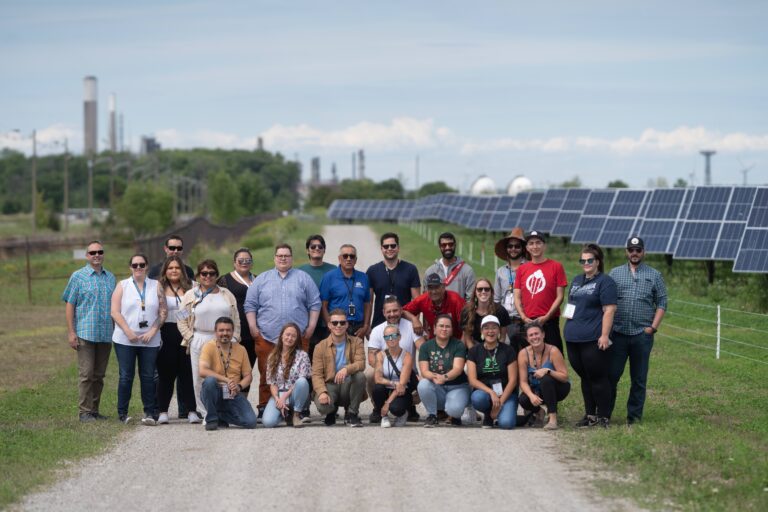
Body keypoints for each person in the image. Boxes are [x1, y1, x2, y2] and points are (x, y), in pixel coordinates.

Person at [244, 244, 320, 416]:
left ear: (292, 258)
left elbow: (315, 303)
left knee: (300, 376)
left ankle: (300, 408)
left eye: (286, 255)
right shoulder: (262, 279)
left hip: (298, 338)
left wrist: (312, 326)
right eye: (280, 255)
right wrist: (253, 326)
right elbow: (250, 305)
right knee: (266, 374)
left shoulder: (303, 278)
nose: (283, 258)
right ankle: (265, 406)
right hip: (267, 337)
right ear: (274, 258)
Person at [608, 236, 667, 425]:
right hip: (618, 333)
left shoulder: (654, 275)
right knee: (611, 376)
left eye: (638, 250)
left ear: (643, 252)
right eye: (631, 250)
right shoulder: (615, 273)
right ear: (626, 252)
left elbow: (662, 302)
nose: (634, 253)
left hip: (642, 335)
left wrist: (652, 328)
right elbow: (606, 301)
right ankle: (605, 415)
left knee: (639, 379)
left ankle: (633, 418)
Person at [177, 260, 240, 418]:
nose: (208, 276)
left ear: (216, 275)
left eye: (211, 273)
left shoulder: (226, 295)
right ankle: (206, 413)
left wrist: (235, 337)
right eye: (204, 273)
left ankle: (224, 411)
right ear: (198, 276)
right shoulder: (191, 295)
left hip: (224, 340)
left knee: (225, 376)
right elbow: (180, 318)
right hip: (199, 337)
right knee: (199, 378)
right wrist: (190, 337)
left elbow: (236, 318)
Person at [564, 244, 618, 428]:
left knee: (598, 378)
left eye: (590, 260)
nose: (586, 263)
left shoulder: (605, 282)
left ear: (598, 261)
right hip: (573, 338)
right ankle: (590, 415)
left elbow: (609, 309)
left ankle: (603, 416)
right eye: (583, 260)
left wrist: (604, 335)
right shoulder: (577, 280)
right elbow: (571, 305)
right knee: (585, 378)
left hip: (593, 339)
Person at [62, 241, 116, 422]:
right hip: (85, 332)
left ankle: (94, 410)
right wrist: (71, 332)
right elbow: (70, 304)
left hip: (106, 333)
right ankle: (84, 412)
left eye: (100, 252)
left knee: (99, 375)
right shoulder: (78, 277)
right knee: (86, 374)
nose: (96, 255)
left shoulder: (111, 278)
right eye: (92, 252)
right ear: (87, 255)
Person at [110, 254, 167, 425]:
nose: (138, 268)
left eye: (142, 265)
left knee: (148, 376)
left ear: (147, 267)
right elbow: (115, 311)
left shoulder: (156, 285)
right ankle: (123, 413)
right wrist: (128, 332)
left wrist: (153, 330)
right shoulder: (122, 285)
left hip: (150, 339)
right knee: (126, 376)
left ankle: (149, 413)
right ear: (130, 267)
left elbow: (163, 311)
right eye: (135, 265)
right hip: (125, 339)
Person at [365, 296, 424, 424]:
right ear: (383, 313)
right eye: (389, 312)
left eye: (395, 311)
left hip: (408, 372)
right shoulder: (377, 330)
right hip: (385, 371)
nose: (392, 314)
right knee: (370, 374)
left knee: (424, 381)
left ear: (401, 310)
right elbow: (371, 358)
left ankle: (409, 406)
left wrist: (422, 373)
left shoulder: (411, 326)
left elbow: (423, 350)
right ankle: (378, 407)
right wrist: (385, 371)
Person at [156, 255, 199, 424]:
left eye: (177, 268)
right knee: (166, 374)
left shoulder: (192, 287)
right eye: (170, 268)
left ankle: (191, 411)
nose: (174, 271)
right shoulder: (158, 287)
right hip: (166, 332)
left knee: (188, 373)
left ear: (182, 270)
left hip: (186, 332)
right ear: (165, 271)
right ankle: (163, 411)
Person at [198, 317, 257, 430]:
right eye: (221, 330)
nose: (225, 333)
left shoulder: (241, 349)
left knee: (251, 422)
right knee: (209, 381)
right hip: (214, 391)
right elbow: (202, 371)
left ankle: (221, 415)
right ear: (215, 332)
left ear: (232, 331)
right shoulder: (208, 346)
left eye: (228, 330)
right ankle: (211, 419)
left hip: (232, 393)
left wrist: (239, 386)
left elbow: (248, 376)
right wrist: (227, 380)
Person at [514, 230, 567, 352]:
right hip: (528, 321)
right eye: (531, 243)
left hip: (550, 321)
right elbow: (517, 296)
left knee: (554, 355)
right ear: (527, 248)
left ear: (544, 245)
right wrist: (523, 316)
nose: (535, 246)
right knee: (529, 358)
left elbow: (560, 296)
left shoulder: (556, 266)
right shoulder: (522, 269)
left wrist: (547, 316)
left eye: (538, 243)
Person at [311, 309, 366, 427]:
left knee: (360, 376)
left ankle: (352, 413)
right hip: (330, 384)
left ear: (347, 324)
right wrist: (321, 392)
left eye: (342, 322)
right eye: (335, 323)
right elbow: (316, 374)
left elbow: (361, 364)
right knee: (323, 407)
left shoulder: (357, 342)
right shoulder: (320, 347)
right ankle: (331, 411)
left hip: (348, 383)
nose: (339, 326)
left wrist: (346, 369)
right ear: (329, 325)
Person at [417, 314, 470, 427]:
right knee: (423, 384)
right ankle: (432, 415)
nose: (444, 329)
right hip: (437, 387)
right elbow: (424, 371)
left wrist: (444, 377)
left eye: (447, 326)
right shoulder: (426, 347)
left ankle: (455, 413)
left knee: (454, 410)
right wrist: (435, 377)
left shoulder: (458, 345)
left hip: (457, 386)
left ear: (451, 330)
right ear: (434, 329)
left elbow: (458, 369)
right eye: (441, 326)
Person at [467, 316, 518, 429]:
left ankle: (506, 414)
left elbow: (513, 380)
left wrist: (500, 403)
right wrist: (491, 392)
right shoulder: (474, 351)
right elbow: (472, 380)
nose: (490, 331)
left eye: (494, 328)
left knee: (506, 424)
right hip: (485, 394)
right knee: (477, 398)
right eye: (486, 328)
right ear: (481, 331)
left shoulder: (508, 350)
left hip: (506, 394)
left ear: (499, 331)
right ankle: (488, 415)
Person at [518, 322, 571, 430]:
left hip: (558, 387)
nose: (534, 337)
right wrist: (531, 395)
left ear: (543, 335)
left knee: (546, 379)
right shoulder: (523, 354)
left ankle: (552, 419)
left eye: (537, 334)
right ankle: (539, 411)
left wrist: (548, 371)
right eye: (531, 335)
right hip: (537, 389)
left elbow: (565, 377)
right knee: (523, 399)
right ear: (527, 339)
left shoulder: (553, 350)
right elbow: (523, 382)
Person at [218, 248, 257, 390]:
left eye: (248, 260)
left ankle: (242, 402)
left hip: (253, 333)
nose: (244, 263)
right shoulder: (224, 280)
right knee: (232, 369)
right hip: (233, 334)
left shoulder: (258, 279)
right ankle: (228, 403)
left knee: (248, 370)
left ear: (252, 263)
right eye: (241, 260)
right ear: (234, 263)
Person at [262, 323, 312, 428]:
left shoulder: (302, 355)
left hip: (295, 395)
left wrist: (284, 397)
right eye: (287, 334)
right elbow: (272, 383)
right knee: (268, 422)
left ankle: (297, 414)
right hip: (279, 394)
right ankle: (285, 414)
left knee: (302, 381)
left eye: (293, 336)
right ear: (281, 336)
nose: (290, 338)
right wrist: (277, 399)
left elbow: (302, 380)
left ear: (297, 339)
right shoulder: (272, 356)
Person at [366, 232, 421, 327]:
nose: (389, 249)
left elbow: (417, 302)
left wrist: (415, 322)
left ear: (398, 247)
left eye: (393, 246)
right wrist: (367, 325)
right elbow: (369, 302)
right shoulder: (372, 271)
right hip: (379, 324)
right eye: (386, 246)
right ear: (381, 249)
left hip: (405, 323)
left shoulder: (411, 269)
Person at [319, 244, 371, 338]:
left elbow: (367, 304)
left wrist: (366, 326)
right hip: (337, 326)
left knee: (357, 353)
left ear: (356, 260)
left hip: (358, 328)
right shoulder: (329, 277)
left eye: (352, 256)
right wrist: (330, 325)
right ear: (339, 258)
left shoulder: (363, 277)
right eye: (345, 256)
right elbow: (323, 305)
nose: (348, 259)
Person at [298, 234, 336, 355]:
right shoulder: (299, 271)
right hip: (307, 322)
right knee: (308, 355)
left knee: (327, 356)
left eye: (320, 246)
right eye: (313, 246)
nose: (317, 249)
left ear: (324, 250)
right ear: (307, 250)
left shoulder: (333, 270)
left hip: (328, 322)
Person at [373, 324, 416, 428]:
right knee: (377, 389)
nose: (391, 339)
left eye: (394, 336)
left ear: (399, 337)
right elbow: (378, 378)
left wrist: (387, 403)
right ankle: (384, 416)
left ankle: (402, 414)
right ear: (384, 339)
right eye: (387, 337)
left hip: (402, 390)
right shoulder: (380, 355)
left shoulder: (407, 356)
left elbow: (402, 384)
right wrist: (393, 383)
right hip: (387, 387)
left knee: (396, 408)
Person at [402, 273, 465, 341]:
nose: (433, 291)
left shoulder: (456, 300)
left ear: (443, 287)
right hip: (435, 341)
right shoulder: (423, 299)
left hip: (456, 341)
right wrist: (414, 319)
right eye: (430, 288)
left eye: (436, 287)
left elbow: (466, 326)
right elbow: (402, 311)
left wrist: (461, 348)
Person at [493, 227, 527, 349]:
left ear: (522, 248)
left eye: (517, 246)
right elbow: (496, 299)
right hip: (506, 321)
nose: (513, 249)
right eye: (510, 246)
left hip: (524, 320)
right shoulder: (501, 272)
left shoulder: (530, 268)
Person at [423, 232, 476, 300]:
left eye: (450, 244)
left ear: (455, 245)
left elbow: (470, 300)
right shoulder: (430, 271)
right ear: (440, 247)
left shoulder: (467, 271)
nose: (447, 247)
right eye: (444, 245)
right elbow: (426, 297)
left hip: (459, 310)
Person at [461, 278, 511, 349]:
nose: (483, 291)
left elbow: (503, 337)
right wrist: (475, 354)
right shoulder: (467, 311)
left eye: (487, 289)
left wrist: (495, 353)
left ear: (491, 292)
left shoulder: (500, 310)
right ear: (475, 292)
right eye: (480, 289)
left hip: (497, 345)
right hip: (474, 346)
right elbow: (467, 338)